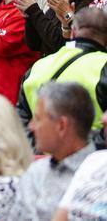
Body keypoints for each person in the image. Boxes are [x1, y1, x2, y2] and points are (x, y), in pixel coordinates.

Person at [14, 81, 97, 219]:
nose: (31, 126)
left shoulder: (98, 177)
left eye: (38, 119)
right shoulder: (35, 171)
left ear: (61, 126)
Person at [18, 7, 107, 132]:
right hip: (93, 148)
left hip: (40, 148)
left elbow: (22, 125)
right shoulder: (104, 65)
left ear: (73, 32)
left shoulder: (38, 66)